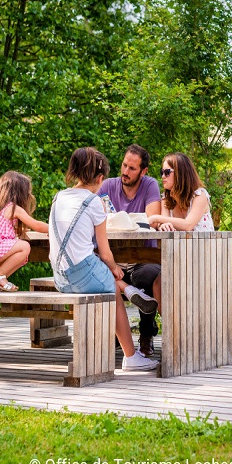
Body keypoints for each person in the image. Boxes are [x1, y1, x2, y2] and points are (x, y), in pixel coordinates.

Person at [49, 147, 158, 371]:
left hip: (60, 278)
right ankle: (131, 356)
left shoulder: (58, 197)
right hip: (82, 274)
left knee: (103, 275)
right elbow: (106, 252)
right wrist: (115, 268)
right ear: (100, 178)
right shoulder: (94, 203)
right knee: (109, 284)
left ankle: (126, 288)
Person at [97, 144, 162, 357]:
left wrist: (116, 221)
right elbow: (92, 216)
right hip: (112, 258)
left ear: (143, 171)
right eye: (124, 165)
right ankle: (115, 335)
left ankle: (146, 335)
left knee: (149, 275)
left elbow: (151, 220)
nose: (125, 171)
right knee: (99, 273)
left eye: (132, 168)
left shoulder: (150, 185)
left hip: (142, 257)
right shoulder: (107, 185)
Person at [0, 171, 49, 292]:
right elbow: (37, 225)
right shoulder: (13, 208)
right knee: (24, 247)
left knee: (20, 249)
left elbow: (2, 230)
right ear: (19, 193)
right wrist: (54, 229)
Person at [148, 152, 215, 233]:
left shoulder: (199, 196)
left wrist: (155, 218)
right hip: (178, 245)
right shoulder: (166, 199)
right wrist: (162, 225)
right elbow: (165, 222)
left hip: (205, 245)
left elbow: (187, 225)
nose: (163, 176)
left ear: (180, 173)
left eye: (167, 172)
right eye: (162, 172)